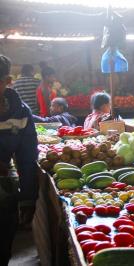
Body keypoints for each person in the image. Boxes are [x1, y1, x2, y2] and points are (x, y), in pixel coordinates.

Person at [0, 55, 38, 264]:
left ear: (7, 82)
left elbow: (27, 157)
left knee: (3, 245)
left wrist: (28, 199)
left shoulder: (21, 113)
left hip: (4, 191)